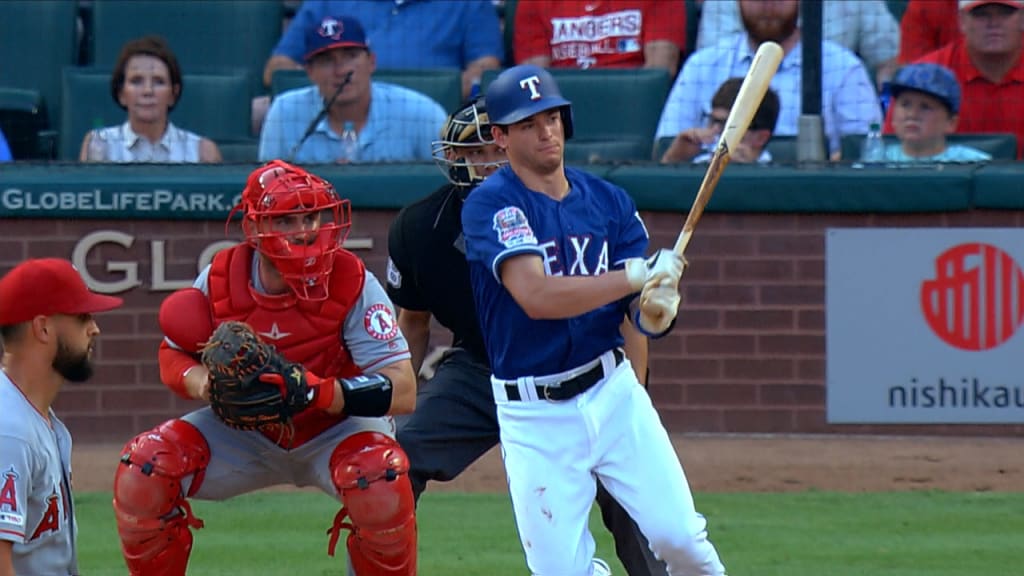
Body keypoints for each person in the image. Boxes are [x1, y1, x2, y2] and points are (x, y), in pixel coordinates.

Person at [462, 64, 727, 576]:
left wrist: (654, 310)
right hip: (534, 413)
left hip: (612, 393)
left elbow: (637, 312)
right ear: (500, 137)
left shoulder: (609, 202)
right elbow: (536, 295)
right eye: (528, 123)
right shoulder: (491, 205)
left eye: (552, 118)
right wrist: (633, 278)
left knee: (683, 542)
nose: (546, 131)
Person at [388, 97, 669, 575]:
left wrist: (631, 398)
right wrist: (392, 412)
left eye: (490, 150)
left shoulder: (578, 205)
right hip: (481, 368)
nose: (484, 163)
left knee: (630, 495)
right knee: (392, 461)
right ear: (452, 158)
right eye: (470, 153)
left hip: (583, 369)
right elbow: (412, 324)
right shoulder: (419, 228)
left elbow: (625, 314)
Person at [111, 160, 418, 576]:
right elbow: (172, 357)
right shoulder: (222, 276)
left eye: (310, 216)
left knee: (379, 477)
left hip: (334, 427)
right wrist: (207, 386)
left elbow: (402, 389)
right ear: (254, 229)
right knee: (146, 467)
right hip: (246, 431)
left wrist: (316, 391)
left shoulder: (352, 278)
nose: (305, 230)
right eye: (285, 220)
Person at [0, 258, 123, 576]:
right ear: (43, 328)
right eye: (82, 317)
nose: (94, 328)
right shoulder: (9, 432)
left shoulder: (37, 420)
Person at [656, 0, 881, 161]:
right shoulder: (702, 66)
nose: (767, 4)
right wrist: (678, 155)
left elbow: (866, 152)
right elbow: (667, 146)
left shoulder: (843, 67)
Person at [259, 14, 447, 163]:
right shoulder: (284, 113)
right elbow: (265, 192)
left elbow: (451, 191)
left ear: (371, 62)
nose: (341, 70)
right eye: (326, 61)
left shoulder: (423, 115)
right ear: (310, 72)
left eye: (350, 56)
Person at [263, 0, 502, 100]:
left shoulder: (469, 3)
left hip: (432, 124)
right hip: (331, 119)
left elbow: (485, 70)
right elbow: (277, 69)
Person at [899, 0, 1024, 159]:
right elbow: (895, 151)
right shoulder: (925, 75)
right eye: (981, 14)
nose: (993, 23)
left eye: (1005, 13)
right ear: (962, 21)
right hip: (943, 180)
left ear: (1022, 19)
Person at [78, 35, 222, 163]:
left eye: (158, 81)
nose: (148, 91)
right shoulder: (99, 145)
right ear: (121, 93)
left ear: (173, 94)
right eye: (136, 81)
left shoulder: (203, 152)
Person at [696, 0, 900, 88]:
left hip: (829, 109)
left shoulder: (845, 68)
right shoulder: (702, 65)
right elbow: (712, 66)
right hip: (739, 121)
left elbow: (890, 60)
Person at [513, 0, 686, 76]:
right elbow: (534, 82)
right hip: (560, 112)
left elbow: (659, 73)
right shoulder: (532, 2)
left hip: (632, 106)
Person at [872, 63, 991, 162]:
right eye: (905, 105)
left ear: (951, 123)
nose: (912, 115)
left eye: (925, 107)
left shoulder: (975, 164)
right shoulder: (876, 162)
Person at [660, 77, 780, 164]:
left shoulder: (777, 176)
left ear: (761, 138)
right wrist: (672, 160)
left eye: (727, 125)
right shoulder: (701, 164)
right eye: (713, 121)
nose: (715, 131)